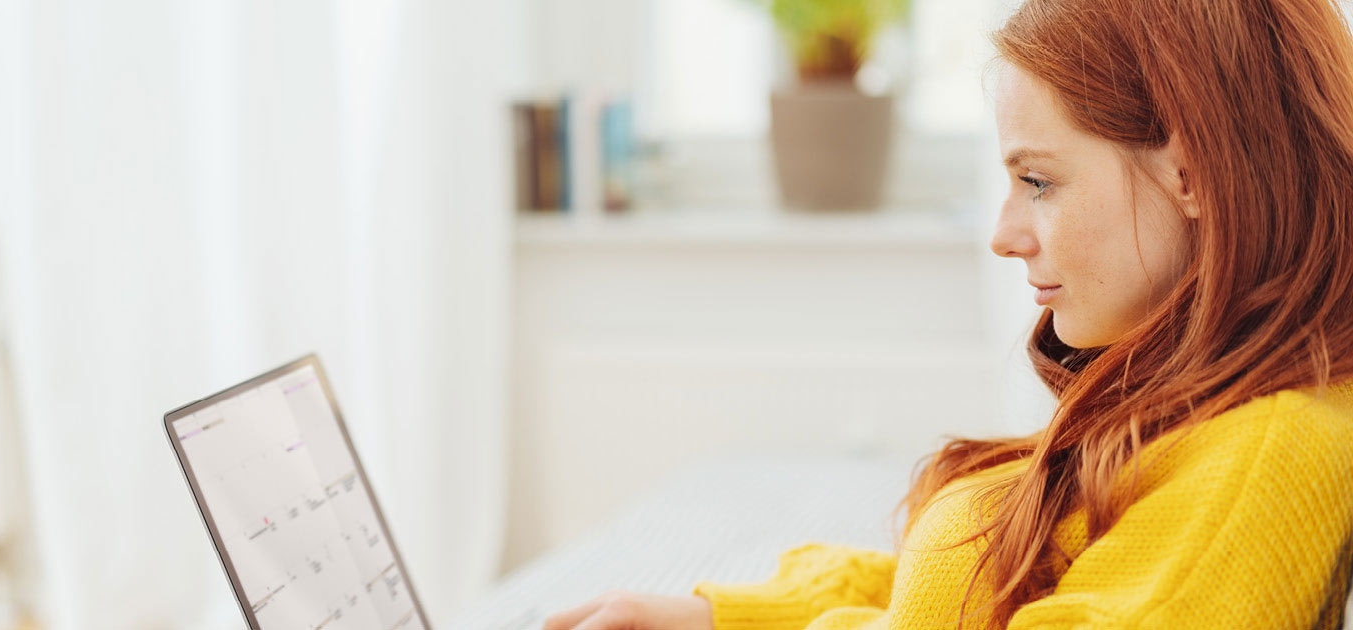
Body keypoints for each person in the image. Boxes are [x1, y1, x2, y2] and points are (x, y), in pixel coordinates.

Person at [542, 0, 1353, 627]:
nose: (1004, 236)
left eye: (1038, 181)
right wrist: (730, 616)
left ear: (1194, 174)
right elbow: (1004, 578)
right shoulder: (1204, 405)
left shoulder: (1265, 457)